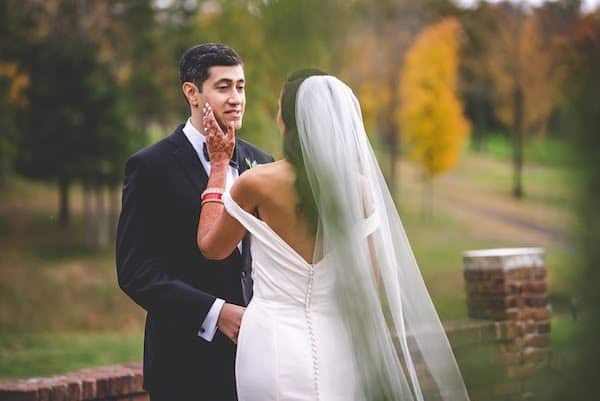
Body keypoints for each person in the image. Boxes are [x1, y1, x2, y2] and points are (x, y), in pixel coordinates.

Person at [197, 70, 471, 401]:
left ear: (290, 121)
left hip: (271, 344)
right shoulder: (361, 190)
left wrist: (218, 168)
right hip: (339, 346)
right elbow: (369, 278)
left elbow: (212, 248)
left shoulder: (257, 183)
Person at [116, 43, 274, 401]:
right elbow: (135, 272)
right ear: (192, 92)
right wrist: (216, 314)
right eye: (223, 87)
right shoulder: (149, 167)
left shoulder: (262, 163)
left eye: (241, 86)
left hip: (258, 362)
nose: (236, 98)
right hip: (183, 366)